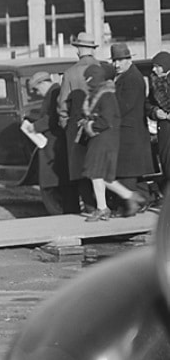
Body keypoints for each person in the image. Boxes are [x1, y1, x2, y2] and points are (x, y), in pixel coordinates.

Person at [79, 62, 146, 221]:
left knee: (96, 174)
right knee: (103, 176)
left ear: (93, 78)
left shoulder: (105, 95)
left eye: (87, 78)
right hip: (104, 138)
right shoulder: (103, 93)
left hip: (103, 139)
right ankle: (131, 197)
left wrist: (89, 124)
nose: (86, 82)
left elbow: (106, 120)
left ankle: (103, 208)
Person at [57, 32, 101, 211]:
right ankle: (105, 204)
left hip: (77, 126)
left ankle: (90, 207)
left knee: (80, 169)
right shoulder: (103, 68)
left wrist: (65, 124)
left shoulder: (70, 73)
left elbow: (63, 105)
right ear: (92, 50)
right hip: (101, 125)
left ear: (79, 50)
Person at [24, 71, 78, 214]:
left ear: (42, 83)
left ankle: (60, 214)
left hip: (54, 145)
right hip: (55, 144)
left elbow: (52, 118)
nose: (37, 93)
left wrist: (34, 127)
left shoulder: (54, 93)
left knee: (52, 185)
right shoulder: (55, 92)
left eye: (36, 89)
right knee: (60, 184)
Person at [109, 42, 153, 214]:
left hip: (128, 133)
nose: (116, 64)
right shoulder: (129, 76)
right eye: (114, 60)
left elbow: (122, 106)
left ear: (128, 60)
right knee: (136, 171)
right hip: (132, 131)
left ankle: (126, 207)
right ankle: (143, 200)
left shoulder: (131, 79)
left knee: (127, 171)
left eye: (120, 60)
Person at [146, 51, 170, 200]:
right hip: (165, 129)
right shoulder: (154, 82)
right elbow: (148, 104)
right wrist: (155, 112)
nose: (154, 70)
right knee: (167, 164)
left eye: (157, 66)